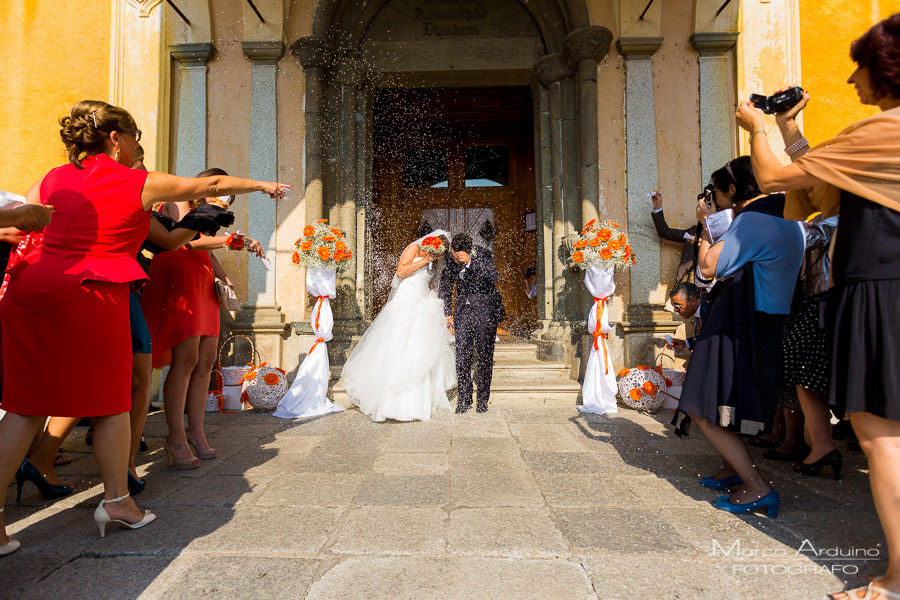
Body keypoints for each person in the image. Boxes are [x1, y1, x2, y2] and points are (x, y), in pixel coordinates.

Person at [0, 100, 287, 554]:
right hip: (91, 292)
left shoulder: (52, 177)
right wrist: (264, 183)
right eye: (134, 136)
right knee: (113, 401)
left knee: (24, 406)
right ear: (115, 138)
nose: (137, 146)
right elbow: (209, 182)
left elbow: (27, 224)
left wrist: (194, 224)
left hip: (32, 289)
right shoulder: (138, 181)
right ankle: (117, 500)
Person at [735, 14, 900, 598]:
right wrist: (791, 124)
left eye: (859, 66)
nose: (852, 79)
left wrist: (758, 126)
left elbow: (780, 177)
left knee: (883, 437)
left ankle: (895, 582)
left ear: (886, 70)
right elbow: (827, 185)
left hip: (882, 288)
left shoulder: (884, 131)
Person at [677, 155, 805, 518]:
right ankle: (732, 467)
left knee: (702, 402)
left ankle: (757, 486)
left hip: (738, 317)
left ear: (732, 190)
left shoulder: (752, 219)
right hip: (769, 317)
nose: (714, 198)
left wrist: (703, 226)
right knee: (733, 400)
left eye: (717, 192)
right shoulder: (790, 216)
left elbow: (708, 267)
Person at [141, 168, 263, 470]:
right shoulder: (178, 201)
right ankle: (176, 437)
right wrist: (231, 240)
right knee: (185, 360)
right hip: (178, 277)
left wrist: (223, 276)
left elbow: (205, 249)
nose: (222, 200)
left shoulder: (206, 212)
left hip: (202, 279)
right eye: (219, 193)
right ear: (204, 185)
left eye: (226, 198)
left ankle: (196, 431)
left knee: (206, 361)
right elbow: (184, 242)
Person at [341, 230, 455, 422]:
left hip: (422, 304)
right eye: (436, 253)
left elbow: (428, 283)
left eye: (439, 255)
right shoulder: (414, 249)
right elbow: (401, 272)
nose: (436, 258)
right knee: (398, 345)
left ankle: (417, 402)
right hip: (405, 302)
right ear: (430, 244)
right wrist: (424, 259)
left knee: (418, 349)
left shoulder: (432, 261)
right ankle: (388, 400)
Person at [439, 233, 503, 413]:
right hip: (463, 313)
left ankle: (482, 401)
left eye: (453, 252)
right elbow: (445, 285)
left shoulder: (482, 254)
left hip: (485, 312)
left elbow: (493, 276)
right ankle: (464, 399)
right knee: (462, 358)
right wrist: (446, 313)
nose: (452, 255)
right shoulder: (451, 261)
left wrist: (469, 263)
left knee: (484, 358)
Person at [650, 191, 701, 285]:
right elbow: (665, 232)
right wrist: (658, 208)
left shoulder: (726, 233)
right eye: (699, 206)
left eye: (703, 206)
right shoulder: (694, 231)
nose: (699, 209)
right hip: (691, 290)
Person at [665, 282, 703, 351]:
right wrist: (686, 343)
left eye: (677, 306)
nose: (675, 310)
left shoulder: (712, 313)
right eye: (673, 306)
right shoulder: (702, 312)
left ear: (693, 300)